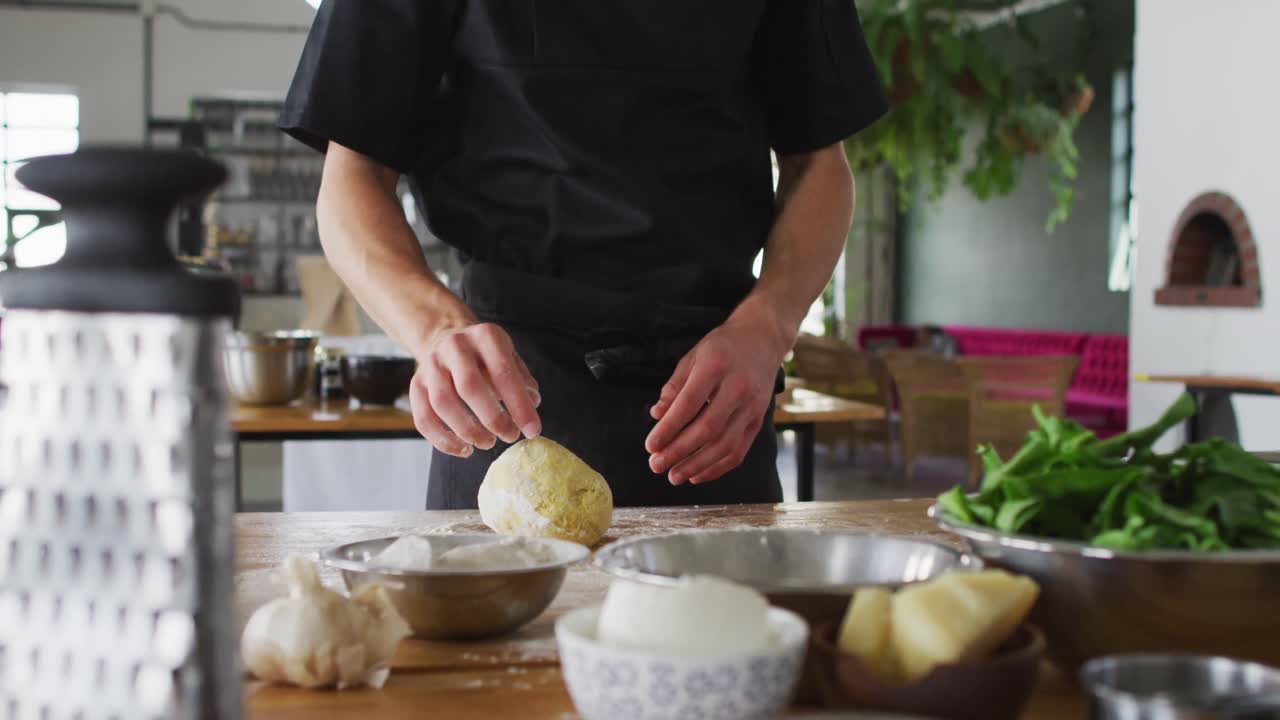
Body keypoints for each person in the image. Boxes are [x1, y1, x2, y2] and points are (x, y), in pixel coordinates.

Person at [280, 0, 887, 509]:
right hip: (511, 390)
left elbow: (817, 165)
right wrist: (435, 329)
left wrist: (768, 327)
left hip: (716, 392)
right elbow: (352, 178)